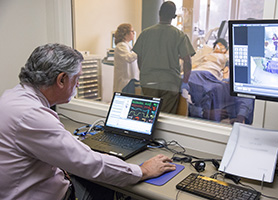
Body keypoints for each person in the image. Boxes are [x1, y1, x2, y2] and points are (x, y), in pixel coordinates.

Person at [0, 43, 175, 200]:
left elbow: (54, 145)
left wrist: (79, 148)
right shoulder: (32, 115)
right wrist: (143, 170)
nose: (77, 85)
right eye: (77, 78)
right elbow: (90, 164)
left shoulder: (13, 97)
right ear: (61, 79)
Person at [132, 1, 195, 114]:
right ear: (174, 17)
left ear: (159, 13)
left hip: (148, 83)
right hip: (169, 84)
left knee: (148, 117)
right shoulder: (179, 35)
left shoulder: (145, 33)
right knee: (165, 119)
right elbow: (187, 61)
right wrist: (185, 81)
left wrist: (146, 74)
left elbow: (139, 58)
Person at [113, 23, 139, 93]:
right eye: (132, 31)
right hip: (125, 82)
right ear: (125, 34)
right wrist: (139, 50)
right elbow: (129, 58)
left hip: (130, 80)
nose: (133, 33)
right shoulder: (121, 45)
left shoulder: (128, 45)